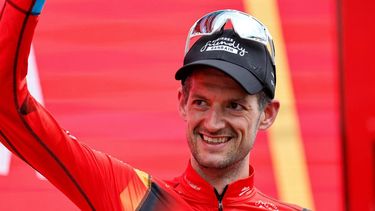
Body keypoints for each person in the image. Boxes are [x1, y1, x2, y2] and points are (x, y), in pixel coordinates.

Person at [0, 0, 310, 210]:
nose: (213, 123)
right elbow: (7, 108)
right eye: (201, 102)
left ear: (267, 114)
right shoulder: (131, 196)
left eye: (234, 106)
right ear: (182, 102)